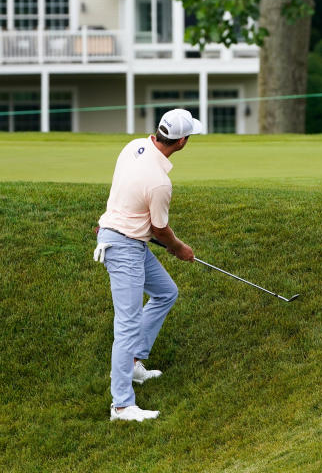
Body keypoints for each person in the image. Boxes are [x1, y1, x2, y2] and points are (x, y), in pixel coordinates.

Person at [93, 108, 203, 422]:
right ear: (182, 142)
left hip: (124, 237)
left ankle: (134, 364)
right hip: (123, 246)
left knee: (166, 292)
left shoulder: (133, 146)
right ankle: (122, 406)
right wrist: (180, 249)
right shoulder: (160, 184)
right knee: (126, 327)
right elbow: (160, 230)